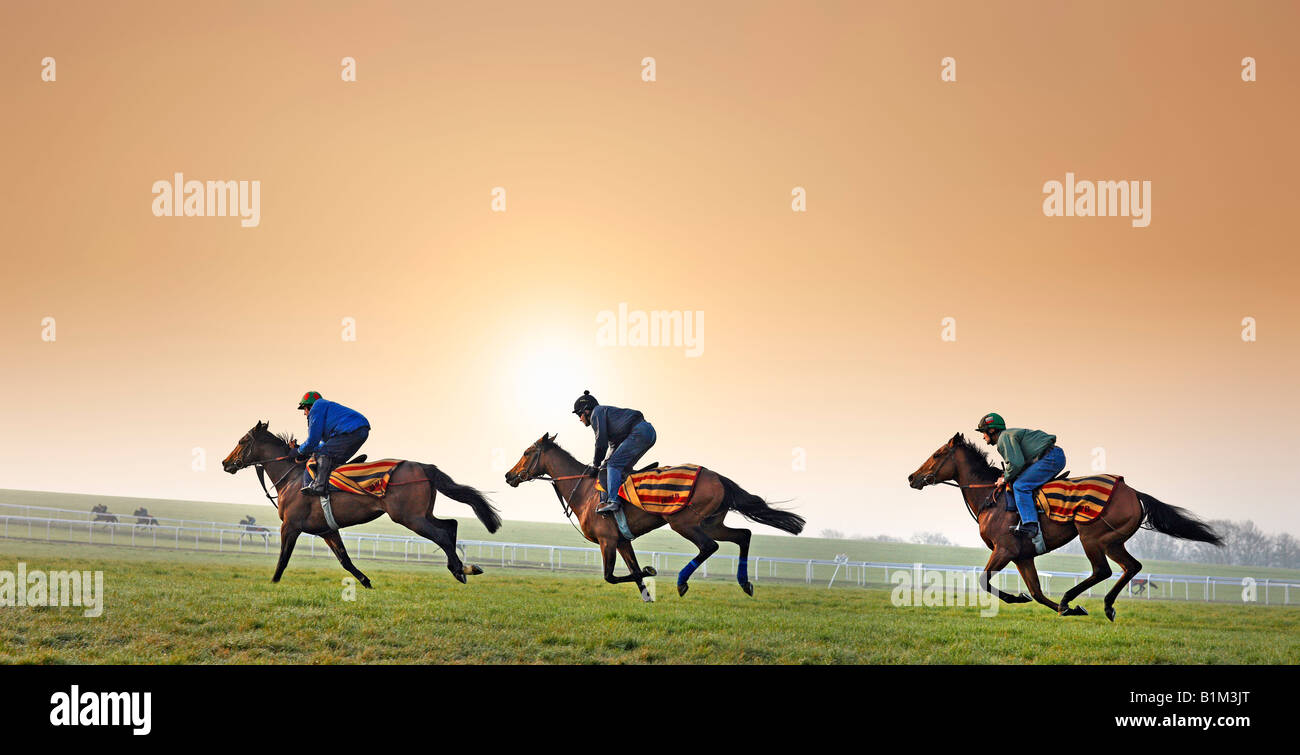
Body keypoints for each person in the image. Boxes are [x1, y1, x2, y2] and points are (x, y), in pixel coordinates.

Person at [975, 412, 1063, 555]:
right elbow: (1017, 464)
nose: (983, 436)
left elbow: (1016, 464)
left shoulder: (1004, 438)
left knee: (1020, 486)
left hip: (1050, 458)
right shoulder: (1006, 437)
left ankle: (1031, 525)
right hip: (1049, 456)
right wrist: (1006, 476)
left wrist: (1004, 479)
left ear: (991, 430)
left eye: (984, 432)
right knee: (1018, 482)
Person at [572, 390, 656, 514]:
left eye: (579, 415)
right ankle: (624, 495)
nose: (580, 419)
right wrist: (602, 465)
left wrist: (595, 465)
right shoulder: (609, 419)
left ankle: (614, 501)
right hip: (647, 432)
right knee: (614, 466)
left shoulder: (596, 413)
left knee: (614, 465)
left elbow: (601, 443)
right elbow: (612, 447)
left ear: (586, 410)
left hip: (639, 432)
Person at [295, 391, 370, 497]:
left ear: (309, 407)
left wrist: (299, 451)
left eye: (304, 409)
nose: (304, 413)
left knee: (323, 454)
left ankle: (318, 486)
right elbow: (322, 444)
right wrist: (301, 448)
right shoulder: (327, 411)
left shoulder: (317, 407)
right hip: (360, 430)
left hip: (350, 431)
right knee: (330, 457)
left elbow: (313, 440)